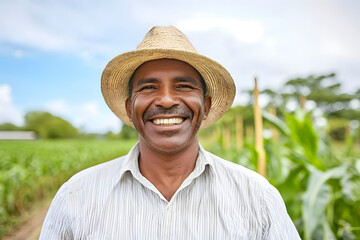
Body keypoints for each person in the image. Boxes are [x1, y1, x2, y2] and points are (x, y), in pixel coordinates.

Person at [40, 26, 301, 239]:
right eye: (149, 87)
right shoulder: (77, 196)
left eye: (184, 86)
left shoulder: (257, 197)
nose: (165, 100)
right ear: (130, 108)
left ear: (206, 106)